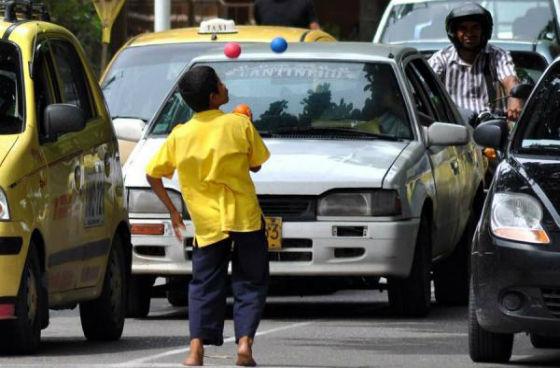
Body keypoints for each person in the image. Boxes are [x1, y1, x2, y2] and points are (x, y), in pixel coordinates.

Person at [145, 66, 270, 367]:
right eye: (221, 83)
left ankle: (195, 350)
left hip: (207, 224)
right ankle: (244, 347)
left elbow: (152, 175)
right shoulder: (238, 125)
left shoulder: (180, 134)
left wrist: (174, 212)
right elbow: (255, 166)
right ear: (215, 97)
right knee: (250, 282)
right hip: (245, 218)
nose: (226, 86)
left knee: (203, 285)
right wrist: (248, 125)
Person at [428, 2, 523, 122]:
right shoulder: (442, 58)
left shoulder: (497, 56)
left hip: (494, 129)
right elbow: (422, 84)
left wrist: (514, 97)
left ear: (484, 31)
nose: (469, 33)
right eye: (463, 28)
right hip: (454, 131)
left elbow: (510, 80)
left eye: (475, 28)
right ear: (454, 33)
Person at [254, 0, 320, 30]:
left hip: (296, 51)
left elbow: (314, 28)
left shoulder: (304, 2)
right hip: (268, 51)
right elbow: (259, 28)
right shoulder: (259, 3)